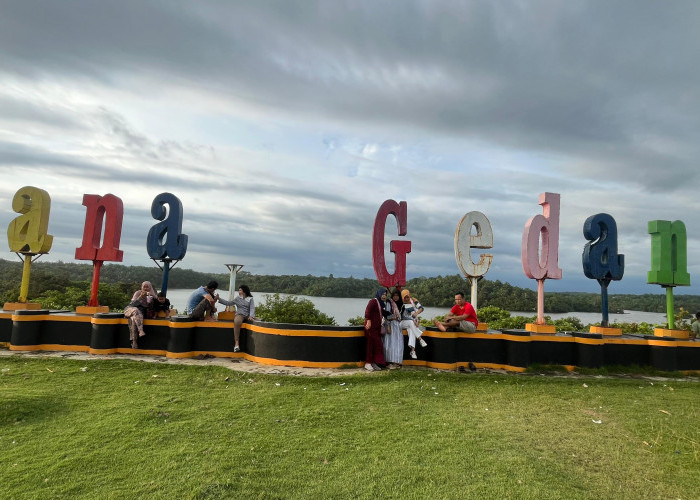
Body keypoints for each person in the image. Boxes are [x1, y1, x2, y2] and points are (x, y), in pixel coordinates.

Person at [217, 285, 257, 352]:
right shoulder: (238, 298)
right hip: (240, 314)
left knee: (259, 320)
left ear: (244, 291)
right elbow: (228, 303)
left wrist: (251, 316)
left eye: (240, 290)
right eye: (239, 290)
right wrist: (219, 299)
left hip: (248, 315)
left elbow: (252, 308)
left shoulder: (250, 298)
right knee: (237, 322)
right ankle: (236, 343)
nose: (239, 291)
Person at [123, 281, 158, 348]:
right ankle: (141, 330)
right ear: (141, 287)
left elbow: (153, 308)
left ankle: (134, 342)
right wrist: (141, 296)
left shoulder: (152, 295)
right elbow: (132, 304)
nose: (145, 288)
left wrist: (151, 300)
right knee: (136, 310)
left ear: (150, 288)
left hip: (138, 314)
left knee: (134, 320)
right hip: (130, 310)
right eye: (144, 286)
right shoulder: (138, 293)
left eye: (147, 287)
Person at [364, 288, 388, 371]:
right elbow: (367, 311)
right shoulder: (373, 301)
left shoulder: (379, 304)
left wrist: (394, 316)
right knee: (371, 345)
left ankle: (374, 362)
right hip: (370, 328)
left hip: (376, 328)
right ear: (379, 294)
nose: (384, 296)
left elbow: (384, 313)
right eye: (383, 294)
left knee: (377, 346)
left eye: (385, 294)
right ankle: (368, 363)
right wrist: (368, 320)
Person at [400, 289, 427, 360]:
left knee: (411, 330)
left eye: (407, 297)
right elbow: (404, 316)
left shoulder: (413, 300)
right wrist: (413, 320)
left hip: (413, 322)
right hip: (404, 322)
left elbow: (421, 308)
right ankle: (420, 338)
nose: (406, 299)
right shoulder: (401, 303)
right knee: (411, 323)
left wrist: (416, 313)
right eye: (404, 297)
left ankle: (412, 351)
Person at [382, 288, 404, 368]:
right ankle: (389, 362)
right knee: (390, 344)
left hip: (398, 326)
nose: (396, 297)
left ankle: (397, 362)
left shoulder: (401, 304)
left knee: (398, 344)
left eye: (397, 296)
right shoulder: (389, 303)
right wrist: (388, 325)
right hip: (390, 325)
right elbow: (387, 315)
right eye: (394, 296)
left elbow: (402, 316)